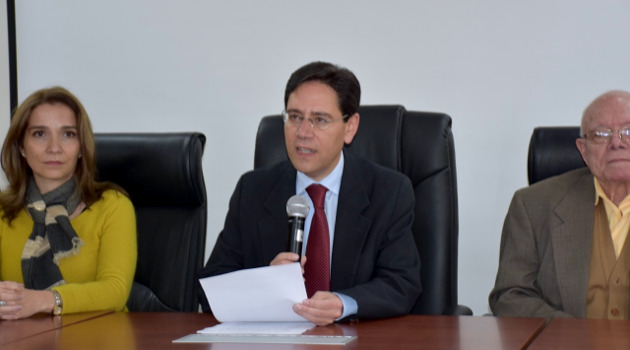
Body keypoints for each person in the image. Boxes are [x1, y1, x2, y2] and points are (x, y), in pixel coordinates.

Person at [198, 61, 421, 326]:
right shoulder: (253, 191)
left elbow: (402, 283)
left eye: (319, 120)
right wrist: (263, 283)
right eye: (294, 117)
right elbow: (209, 286)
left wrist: (343, 303)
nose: (303, 133)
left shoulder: (389, 192)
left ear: (350, 127)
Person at [489, 90, 630, 320]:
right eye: (601, 134)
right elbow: (510, 295)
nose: (617, 143)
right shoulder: (532, 205)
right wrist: (571, 336)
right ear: (583, 150)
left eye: (628, 131)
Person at [0, 86, 137, 320]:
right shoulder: (4, 212)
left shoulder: (113, 206)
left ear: (82, 147)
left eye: (68, 134)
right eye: (39, 134)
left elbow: (115, 291)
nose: (54, 148)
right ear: (21, 146)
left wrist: (45, 300)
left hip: (101, 338)